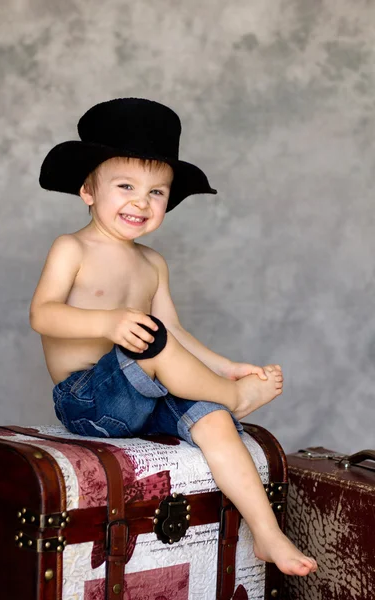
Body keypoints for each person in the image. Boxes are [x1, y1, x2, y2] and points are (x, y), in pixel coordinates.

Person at [30, 98, 317, 576]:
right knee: (158, 350)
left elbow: (175, 333)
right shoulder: (72, 248)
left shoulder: (152, 263)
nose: (141, 202)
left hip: (144, 392)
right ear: (87, 190)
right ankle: (233, 398)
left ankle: (267, 534)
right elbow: (43, 314)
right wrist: (107, 322)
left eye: (157, 193)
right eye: (125, 186)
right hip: (88, 401)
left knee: (212, 421)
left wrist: (225, 365)